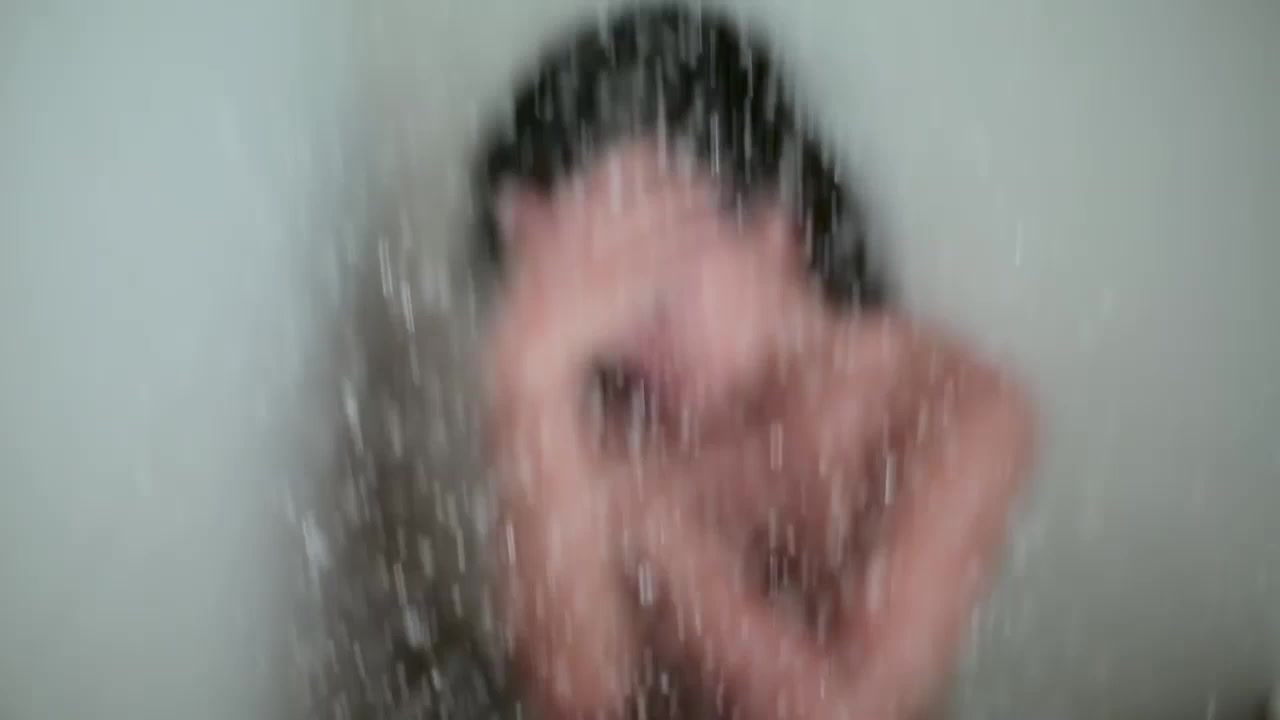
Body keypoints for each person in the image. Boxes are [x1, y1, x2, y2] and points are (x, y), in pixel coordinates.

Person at [471, 5, 1036, 718]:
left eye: (643, 282)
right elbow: (574, 707)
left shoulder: (947, 404)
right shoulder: (591, 417)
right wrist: (528, 392)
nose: (618, 340)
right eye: (584, 300)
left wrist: (654, 529)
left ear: (775, 223)